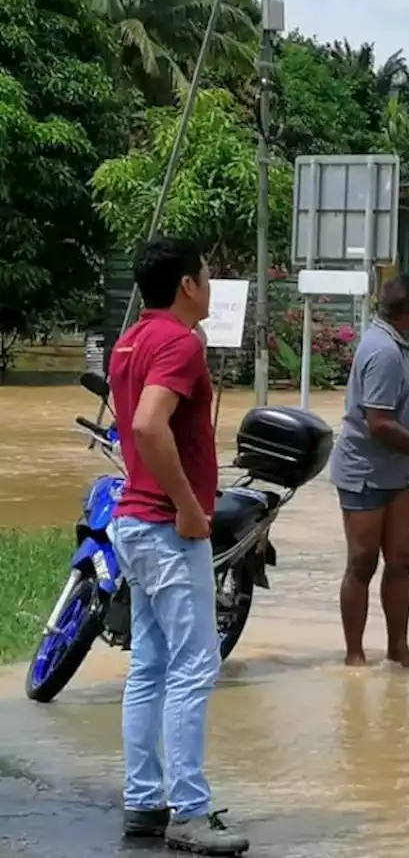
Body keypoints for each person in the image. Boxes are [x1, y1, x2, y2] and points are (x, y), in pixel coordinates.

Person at [108, 238, 249, 855]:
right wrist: (191, 509)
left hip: (134, 521)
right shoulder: (181, 343)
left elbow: (131, 426)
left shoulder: (130, 340)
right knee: (195, 665)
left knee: (150, 666)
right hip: (167, 526)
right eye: (207, 273)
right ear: (188, 285)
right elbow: (146, 425)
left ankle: (144, 800)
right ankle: (189, 810)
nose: (211, 281)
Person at [330, 274, 409, 669]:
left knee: (402, 559)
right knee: (363, 562)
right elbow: (380, 423)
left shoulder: (397, 346)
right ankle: (355, 654)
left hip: (397, 474)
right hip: (364, 473)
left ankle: (398, 649)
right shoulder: (383, 351)